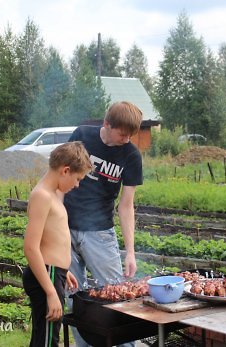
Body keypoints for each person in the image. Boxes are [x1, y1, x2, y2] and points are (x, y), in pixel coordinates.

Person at [64, 101, 143, 347]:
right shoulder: (82, 136)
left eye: (131, 134)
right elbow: (60, 176)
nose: (127, 139)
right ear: (107, 124)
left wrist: (130, 252)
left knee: (116, 298)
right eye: (123, 133)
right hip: (64, 230)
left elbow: (126, 205)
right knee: (73, 299)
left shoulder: (130, 155)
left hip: (100, 233)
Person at [23, 141, 93, 347]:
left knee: (44, 337)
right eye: (78, 179)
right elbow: (30, 247)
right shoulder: (42, 196)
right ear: (65, 170)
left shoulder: (52, 195)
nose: (77, 184)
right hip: (47, 276)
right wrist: (51, 292)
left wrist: (64, 271)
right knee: (47, 341)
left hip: (55, 273)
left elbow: (50, 239)